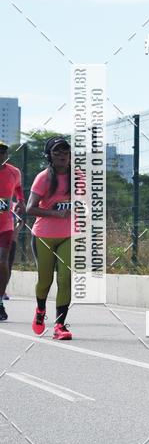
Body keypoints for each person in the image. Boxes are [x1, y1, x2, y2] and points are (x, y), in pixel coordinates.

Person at [27, 137, 73, 340]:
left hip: (69, 236)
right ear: (49, 156)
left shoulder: (79, 178)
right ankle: (40, 310)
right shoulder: (43, 178)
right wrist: (55, 213)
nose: (62, 155)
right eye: (57, 152)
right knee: (45, 280)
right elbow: (30, 208)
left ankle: (60, 326)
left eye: (65, 151)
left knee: (66, 279)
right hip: (43, 236)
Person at [0, 141, 25, 322]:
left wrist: (21, 201)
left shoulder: (14, 172)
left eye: (3, 152)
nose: (0, 155)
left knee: (3, 261)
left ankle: (0, 300)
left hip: (5, 225)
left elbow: (18, 189)